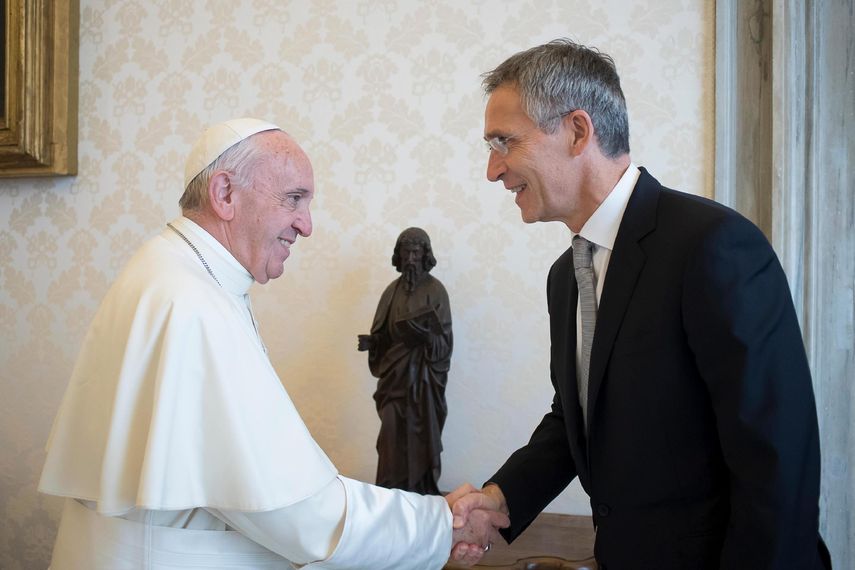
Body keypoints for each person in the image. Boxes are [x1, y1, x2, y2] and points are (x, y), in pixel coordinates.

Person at [38, 118, 506, 569]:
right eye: (294, 199)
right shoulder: (190, 302)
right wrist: (438, 524)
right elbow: (298, 514)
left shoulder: (177, 274)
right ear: (225, 193)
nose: (306, 225)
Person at [450, 39, 831, 569]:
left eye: (505, 142)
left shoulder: (713, 245)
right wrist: (500, 497)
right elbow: (576, 420)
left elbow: (777, 460)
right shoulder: (565, 277)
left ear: (578, 131)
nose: (493, 170)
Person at [357, 227, 452, 495]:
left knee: (422, 439)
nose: (411, 258)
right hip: (394, 383)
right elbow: (383, 335)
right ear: (399, 255)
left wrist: (426, 338)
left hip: (423, 386)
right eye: (406, 252)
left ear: (425, 255)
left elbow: (445, 345)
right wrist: (372, 343)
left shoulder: (436, 291)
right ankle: (389, 494)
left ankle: (422, 492)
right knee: (390, 438)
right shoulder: (391, 292)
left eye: (416, 252)